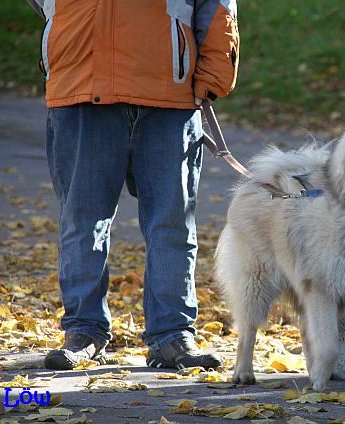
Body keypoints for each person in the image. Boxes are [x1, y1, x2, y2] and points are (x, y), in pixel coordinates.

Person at [25, 0, 239, 370]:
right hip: (79, 87)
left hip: (169, 96)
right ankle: (83, 331)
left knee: (171, 225)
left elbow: (217, 4)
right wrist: (60, 37)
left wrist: (213, 72)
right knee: (82, 222)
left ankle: (173, 335)